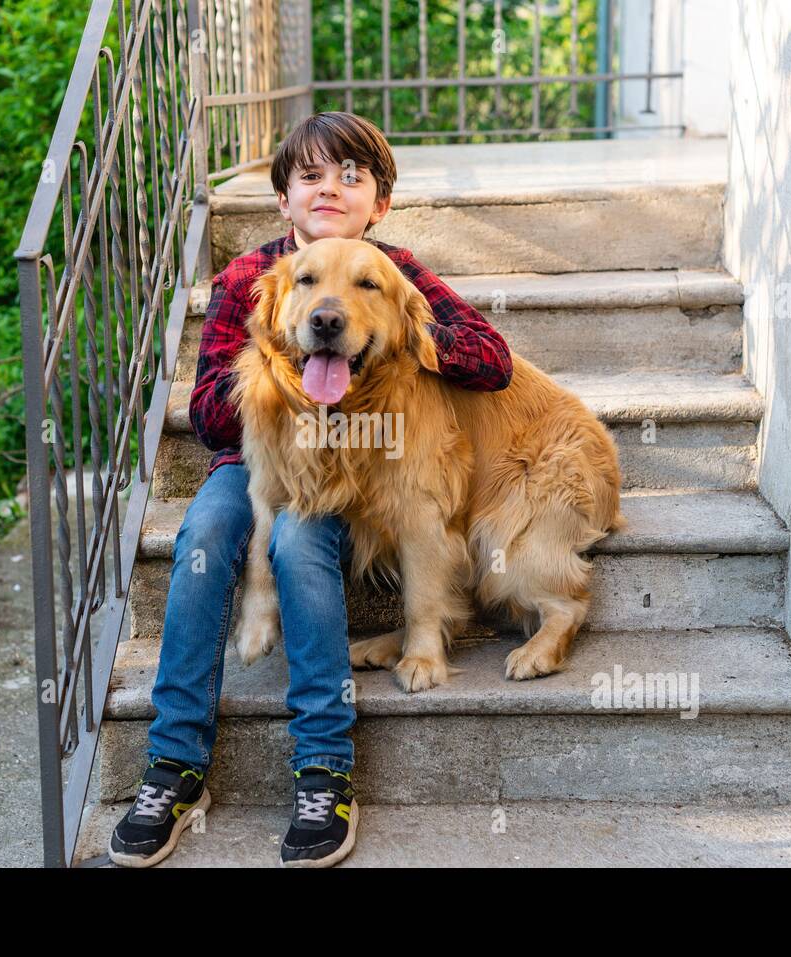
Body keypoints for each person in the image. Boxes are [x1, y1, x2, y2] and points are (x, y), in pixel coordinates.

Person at [109, 111, 513, 868]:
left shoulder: (395, 275)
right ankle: (175, 762)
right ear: (284, 199)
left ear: (380, 205)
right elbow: (205, 418)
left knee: (297, 545)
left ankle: (323, 765)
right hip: (256, 467)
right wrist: (272, 377)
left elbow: (493, 361)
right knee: (201, 537)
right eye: (311, 176)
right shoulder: (247, 280)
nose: (331, 187)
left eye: (352, 176)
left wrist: (407, 334)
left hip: (358, 474)